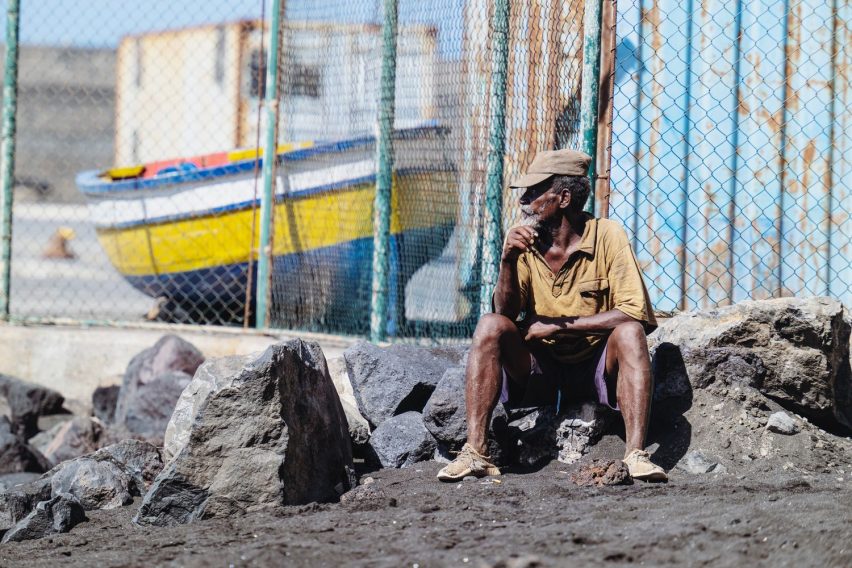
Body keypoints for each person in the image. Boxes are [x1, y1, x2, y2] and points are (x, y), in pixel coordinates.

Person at [437, 149, 666, 482]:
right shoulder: (525, 244)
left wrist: (557, 326)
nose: (524, 202)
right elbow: (506, 314)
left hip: (596, 368)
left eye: (533, 193)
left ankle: (635, 455)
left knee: (629, 333)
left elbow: (635, 313)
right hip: (541, 371)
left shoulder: (608, 236)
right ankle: (476, 452)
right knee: (489, 325)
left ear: (563, 198)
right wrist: (507, 261)